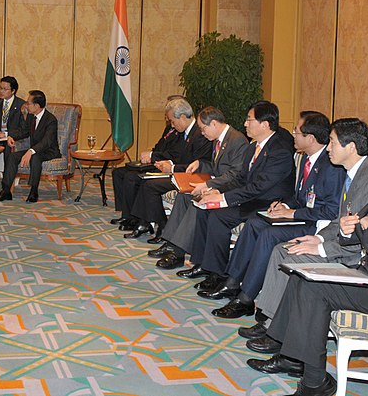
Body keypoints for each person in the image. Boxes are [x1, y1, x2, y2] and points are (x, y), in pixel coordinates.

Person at [247, 122, 368, 396]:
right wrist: (353, 228)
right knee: (304, 277)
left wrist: (366, 225)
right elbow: (355, 232)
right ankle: (292, 357)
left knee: (315, 290)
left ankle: (313, 383)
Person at [238, 118, 368, 347]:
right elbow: (341, 219)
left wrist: (322, 247)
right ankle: (270, 320)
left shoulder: (367, 178)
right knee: (281, 250)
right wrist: (320, 237)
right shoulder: (354, 172)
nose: (329, 148)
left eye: (332, 143)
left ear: (351, 147)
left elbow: (354, 231)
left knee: (292, 253)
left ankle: (277, 332)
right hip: (335, 239)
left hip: (353, 254)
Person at [207, 112, 344, 319]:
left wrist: (292, 213)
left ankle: (246, 298)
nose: (293, 136)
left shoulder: (330, 166)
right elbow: (300, 196)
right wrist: (284, 205)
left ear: (311, 138)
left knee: (269, 234)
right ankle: (233, 281)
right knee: (255, 223)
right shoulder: (307, 159)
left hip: (317, 226)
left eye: (297, 132)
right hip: (304, 216)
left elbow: (331, 211)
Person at [179, 101, 296, 291]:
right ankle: (205, 265)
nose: (245, 124)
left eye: (250, 120)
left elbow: (259, 187)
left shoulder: (279, 151)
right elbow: (241, 178)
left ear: (265, 124)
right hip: (250, 199)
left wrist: (224, 199)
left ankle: (219, 274)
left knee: (219, 216)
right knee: (205, 208)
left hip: (267, 204)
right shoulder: (253, 147)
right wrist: (217, 191)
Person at [150, 107, 248, 269]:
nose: (202, 133)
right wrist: (200, 164)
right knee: (183, 196)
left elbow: (235, 174)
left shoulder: (237, 140)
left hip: (228, 190)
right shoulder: (218, 139)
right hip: (217, 184)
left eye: (203, 129)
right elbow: (216, 167)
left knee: (198, 202)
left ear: (214, 124)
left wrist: (208, 185)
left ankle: (178, 252)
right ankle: (171, 242)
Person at [124, 98, 212, 240]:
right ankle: (145, 222)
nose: (172, 124)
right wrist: (168, 164)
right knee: (143, 179)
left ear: (183, 117)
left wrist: (172, 167)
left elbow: (198, 164)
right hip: (178, 172)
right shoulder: (184, 132)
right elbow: (177, 155)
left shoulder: (199, 134)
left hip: (192, 177)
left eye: (173, 121)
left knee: (150, 186)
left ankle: (161, 226)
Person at [109, 95, 186, 231]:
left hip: (165, 165)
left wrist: (152, 156)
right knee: (118, 173)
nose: (166, 113)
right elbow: (159, 146)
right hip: (156, 160)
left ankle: (135, 217)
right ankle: (126, 214)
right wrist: (150, 154)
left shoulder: (182, 132)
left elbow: (174, 155)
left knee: (131, 177)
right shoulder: (169, 128)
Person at [0, 89, 59, 203]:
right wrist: (9, 135)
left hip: (49, 151)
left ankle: (34, 191)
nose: (26, 106)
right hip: (34, 150)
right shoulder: (31, 116)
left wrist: (31, 151)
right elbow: (24, 132)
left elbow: (46, 141)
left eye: (28, 103)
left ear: (37, 105)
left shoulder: (50, 119)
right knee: (12, 156)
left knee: (35, 157)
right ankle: (6, 190)